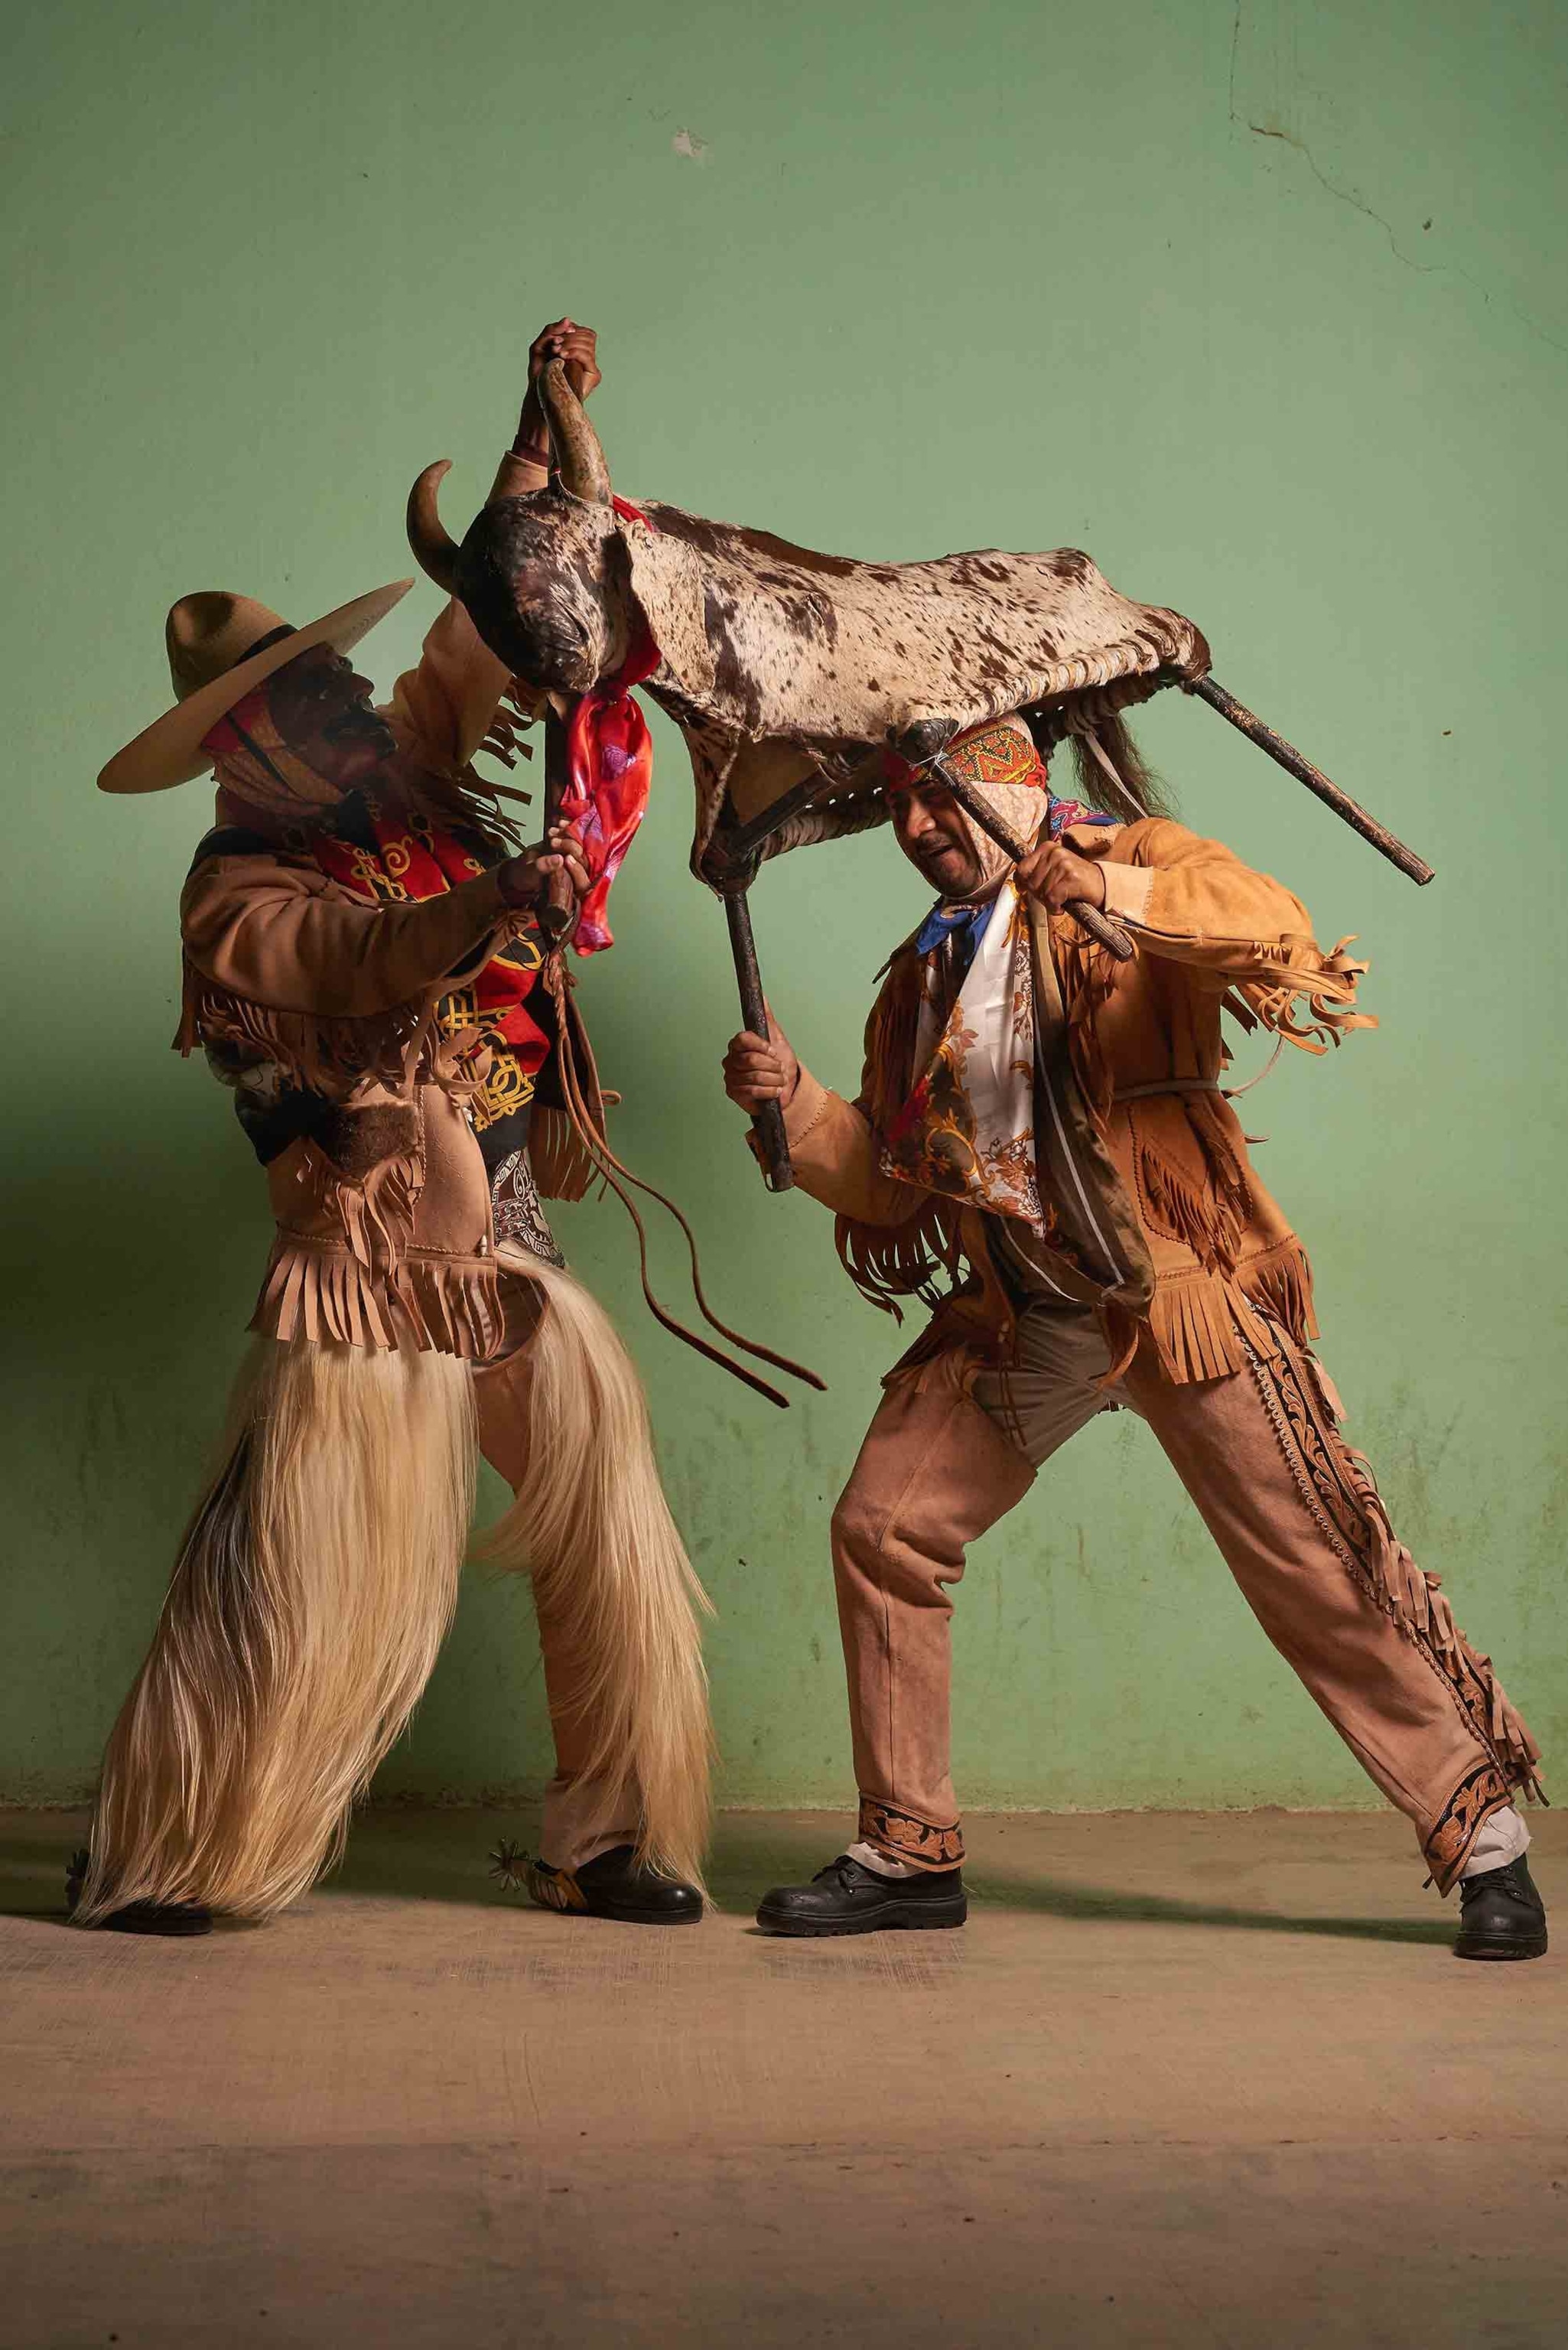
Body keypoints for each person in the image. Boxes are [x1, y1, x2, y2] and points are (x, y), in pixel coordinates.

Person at [74, 320, 711, 1936]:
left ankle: (603, 1835)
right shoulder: (240, 899)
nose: (359, 703)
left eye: (341, 681)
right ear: (247, 744)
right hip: (360, 1271)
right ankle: (183, 1840)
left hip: (502, 1236)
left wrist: (533, 428)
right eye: (314, 696)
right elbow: (358, 966)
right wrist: (494, 899)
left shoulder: (404, 782)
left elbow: (474, 640)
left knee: (597, 1523)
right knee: (282, 1560)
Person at [723, 711, 1547, 1958]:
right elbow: (902, 1185)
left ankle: (1485, 1842)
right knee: (886, 1529)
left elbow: (1268, 925)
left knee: (1314, 1558)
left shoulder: (1133, 858)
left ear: (1016, 780)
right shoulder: (929, 969)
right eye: (897, 807)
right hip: (1026, 1306)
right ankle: (907, 1850)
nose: (915, 829)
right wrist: (801, 1108)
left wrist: (1103, 882)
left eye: (942, 798)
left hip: (1177, 1288)